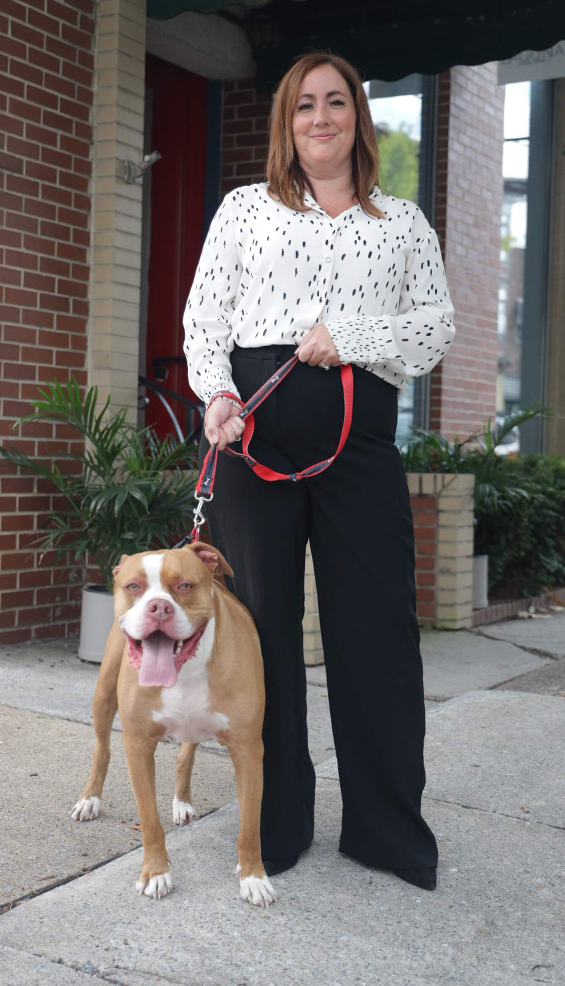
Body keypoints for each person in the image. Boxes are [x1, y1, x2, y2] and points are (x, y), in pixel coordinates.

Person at [182, 51, 455, 891]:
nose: (320, 118)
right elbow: (205, 318)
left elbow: (435, 325)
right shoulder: (243, 210)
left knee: (375, 632)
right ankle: (277, 825)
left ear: (358, 119)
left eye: (336, 103)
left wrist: (354, 338)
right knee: (259, 637)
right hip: (254, 447)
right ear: (285, 124)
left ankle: (386, 830)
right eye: (304, 106)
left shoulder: (401, 223)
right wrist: (217, 397)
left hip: (358, 450)